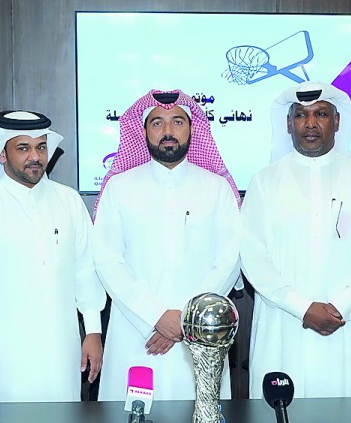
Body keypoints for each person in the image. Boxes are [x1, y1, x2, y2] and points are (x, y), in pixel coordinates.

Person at [0, 111, 105, 402]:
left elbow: (85, 271)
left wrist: (92, 332)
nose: (35, 157)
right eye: (23, 148)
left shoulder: (68, 201)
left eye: (41, 147)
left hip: (60, 354)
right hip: (1, 357)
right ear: (1, 154)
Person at [240, 82, 351, 399]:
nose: (310, 124)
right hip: (282, 325)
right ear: (288, 124)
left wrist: (343, 305)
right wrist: (302, 307)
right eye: (301, 115)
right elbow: (252, 254)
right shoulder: (265, 182)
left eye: (321, 114)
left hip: (346, 327)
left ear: (337, 121)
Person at [91, 89, 241, 401]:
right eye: (157, 123)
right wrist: (156, 316)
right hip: (137, 335)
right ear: (143, 131)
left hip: (201, 334)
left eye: (177, 121)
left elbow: (229, 260)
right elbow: (107, 261)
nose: (168, 131)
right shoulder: (119, 188)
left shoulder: (217, 189)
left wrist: (186, 319)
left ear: (192, 129)